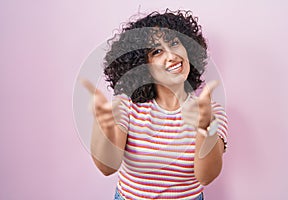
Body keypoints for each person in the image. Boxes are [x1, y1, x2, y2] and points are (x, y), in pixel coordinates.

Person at [82, 9, 228, 200]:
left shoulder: (211, 112)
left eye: (175, 43)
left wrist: (206, 129)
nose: (172, 56)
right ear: (142, 65)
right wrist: (103, 126)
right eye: (156, 51)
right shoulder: (127, 105)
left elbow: (207, 177)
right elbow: (107, 168)